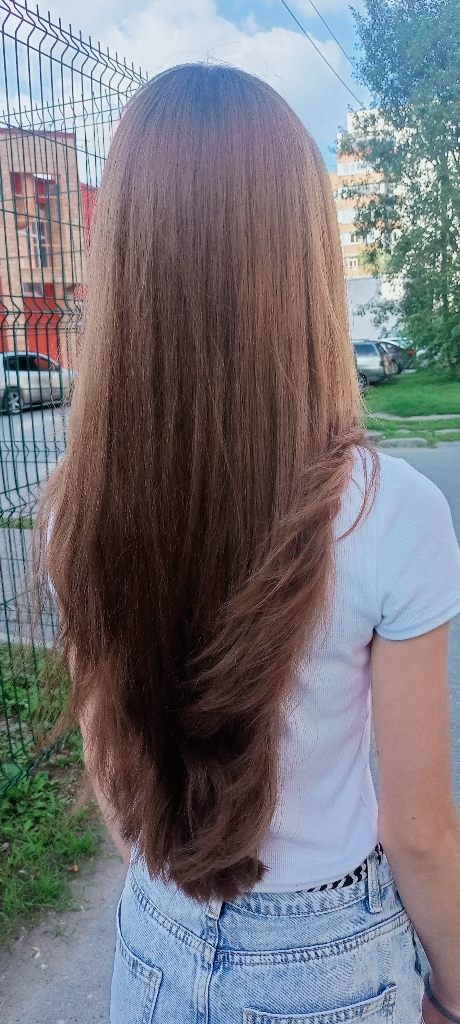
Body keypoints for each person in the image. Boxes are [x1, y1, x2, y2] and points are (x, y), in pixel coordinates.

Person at [36, 64, 460, 1024]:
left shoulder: (75, 510)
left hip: (153, 936)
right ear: (302, 257)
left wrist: (177, 891)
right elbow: (420, 832)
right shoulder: (390, 511)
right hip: (329, 965)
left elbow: (110, 768)